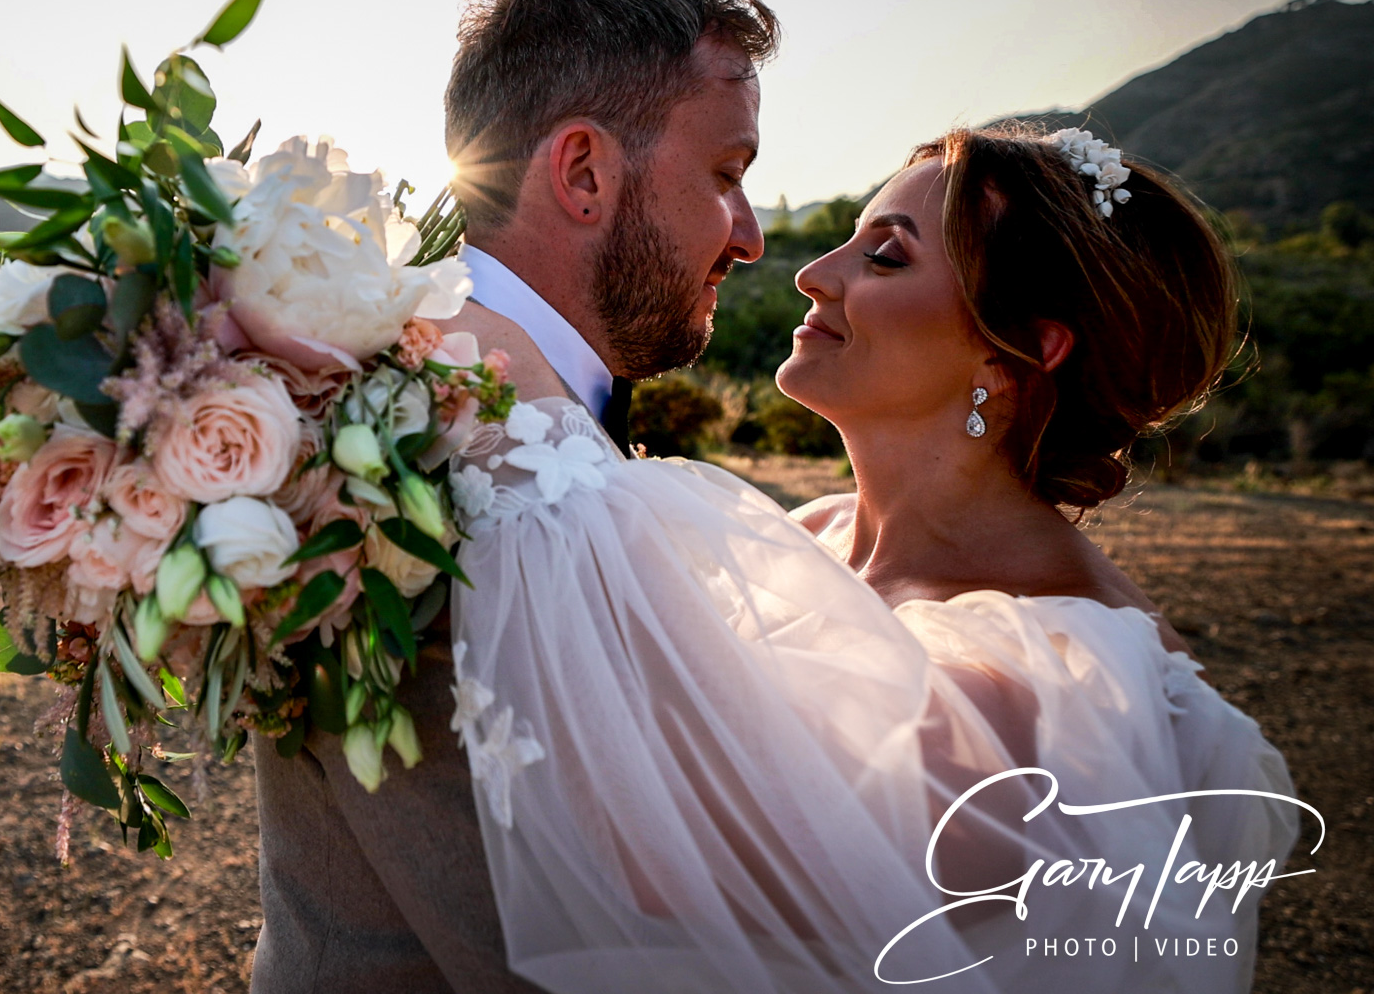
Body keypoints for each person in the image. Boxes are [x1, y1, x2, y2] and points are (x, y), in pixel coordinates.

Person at [444, 122, 1301, 992]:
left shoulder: (1058, 680)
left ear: (1024, 350)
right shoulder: (808, 533)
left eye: (887, 257)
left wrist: (530, 416)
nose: (816, 273)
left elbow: (668, 865)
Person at [248, 0, 774, 993]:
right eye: (726, 174)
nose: (751, 236)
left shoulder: (398, 364)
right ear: (583, 170)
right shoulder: (478, 429)